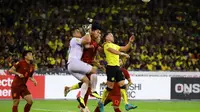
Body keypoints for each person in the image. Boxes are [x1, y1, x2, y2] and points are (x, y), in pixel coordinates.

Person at [64, 24, 104, 111]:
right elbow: (88, 40)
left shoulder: (80, 42)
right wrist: (87, 31)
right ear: (74, 33)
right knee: (93, 71)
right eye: (78, 31)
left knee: (86, 81)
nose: (80, 32)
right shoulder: (74, 39)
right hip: (75, 62)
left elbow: (87, 45)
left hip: (71, 66)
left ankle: (80, 99)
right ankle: (93, 91)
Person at [98, 32, 137, 112]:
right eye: (110, 35)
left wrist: (130, 42)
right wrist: (123, 54)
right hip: (111, 67)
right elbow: (112, 51)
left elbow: (126, 48)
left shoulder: (115, 45)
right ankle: (101, 102)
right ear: (106, 38)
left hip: (117, 67)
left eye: (112, 35)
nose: (112, 36)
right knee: (109, 87)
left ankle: (127, 104)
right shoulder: (106, 45)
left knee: (122, 85)